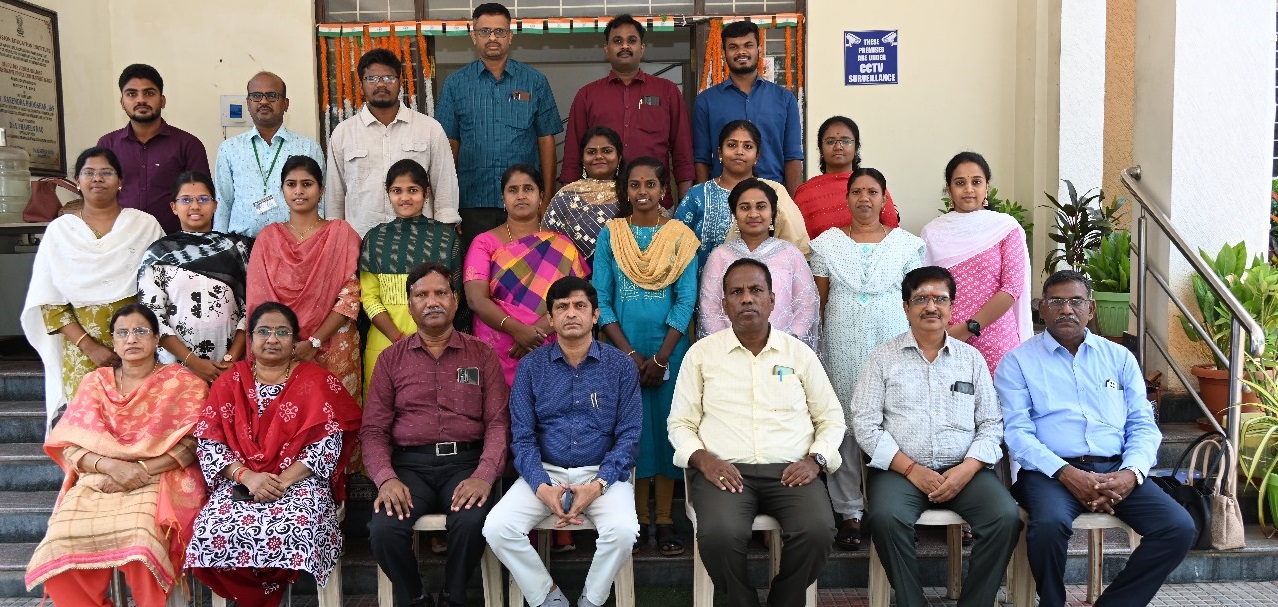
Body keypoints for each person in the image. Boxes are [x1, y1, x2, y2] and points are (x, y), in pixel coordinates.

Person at [996, 270, 1195, 607]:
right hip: (1050, 473)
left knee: (1178, 527)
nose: (1066, 309)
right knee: (1048, 525)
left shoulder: (1119, 357)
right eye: (1056, 302)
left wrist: (1132, 473)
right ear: (1042, 309)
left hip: (1116, 470)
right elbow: (1016, 432)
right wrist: (1067, 473)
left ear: (1091, 309)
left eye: (1076, 301)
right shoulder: (1017, 362)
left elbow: (1143, 425)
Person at [668, 258, 844, 607]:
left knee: (818, 531)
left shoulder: (799, 354)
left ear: (772, 300)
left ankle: (784, 600)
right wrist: (704, 461)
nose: (747, 298)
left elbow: (831, 418)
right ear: (724, 304)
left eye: (756, 290)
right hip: (725, 472)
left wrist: (816, 460)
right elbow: (680, 423)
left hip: (792, 471)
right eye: (737, 292)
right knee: (719, 535)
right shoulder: (701, 355)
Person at [849, 265, 1022, 607]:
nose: (931, 307)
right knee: (885, 519)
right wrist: (911, 469)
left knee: (1005, 518)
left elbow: (991, 423)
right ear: (906, 307)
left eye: (940, 299)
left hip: (965, 470)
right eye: (921, 299)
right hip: (900, 472)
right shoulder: (882, 359)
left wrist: (968, 469)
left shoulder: (971, 360)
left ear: (952, 306)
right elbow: (865, 423)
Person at [24, 304, 208, 607]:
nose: (131, 339)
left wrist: (142, 470)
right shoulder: (95, 382)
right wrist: (110, 466)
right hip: (99, 479)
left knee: (141, 544)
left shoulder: (182, 382)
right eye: (122, 333)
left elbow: (191, 445)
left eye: (140, 331)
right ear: (113, 340)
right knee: (59, 545)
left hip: (157, 478)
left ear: (156, 338)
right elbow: (71, 445)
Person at [185, 302, 362, 607]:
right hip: (242, 482)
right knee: (211, 530)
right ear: (251, 339)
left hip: (300, 481)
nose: (272, 339)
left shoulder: (316, 381)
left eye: (282, 332)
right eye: (264, 331)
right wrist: (248, 477)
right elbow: (210, 443)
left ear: (295, 341)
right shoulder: (229, 383)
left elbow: (327, 444)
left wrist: (281, 481)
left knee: (297, 526)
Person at [483, 276, 641, 607]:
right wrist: (541, 486)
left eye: (580, 305)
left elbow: (629, 435)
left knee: (624, 532)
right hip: (546, 472)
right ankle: (548, 597)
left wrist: (598, 485)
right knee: (497, 528)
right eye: (562, 307)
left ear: (595, 315)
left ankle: (591, 600)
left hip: (602, 474)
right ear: (551, 318)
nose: (571, 313)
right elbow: (522, 437)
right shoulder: (530, 367)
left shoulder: (621, 367)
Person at [363, 262, 509, 607]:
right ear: (410, 304)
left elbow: (499, 424)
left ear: (455, 300)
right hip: (410, 468)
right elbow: (373, 430)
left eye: (441, 293)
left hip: (466, 464)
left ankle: (454, 597)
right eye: (422, 295)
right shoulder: (390, 359)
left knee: (471, 521)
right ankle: (416, 598)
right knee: (384, 529)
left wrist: (484, 476)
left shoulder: (482, 354)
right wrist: (386, 479)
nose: (432, 302)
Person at [809, 167, 924, 550]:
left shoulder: (907, 245)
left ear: (884, 198)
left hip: (892, 345)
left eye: (872, 191)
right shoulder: (826, 244)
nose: (864, 198)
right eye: (856, 191)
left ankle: (893, 507)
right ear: (847, 199)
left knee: (893, 421)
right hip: (840, 344)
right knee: (842, 423)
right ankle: (849, 513)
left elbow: (916, 301)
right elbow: (819, 301)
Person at [592, 156, 699, 557]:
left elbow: (685, 300)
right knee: (631, 432)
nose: (642, 192)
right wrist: (631, 355)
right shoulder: (611, 235)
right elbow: (602, 300)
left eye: (650, 184)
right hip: (622, 351)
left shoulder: (681, 237)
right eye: (634, 185)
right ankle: (636, 519)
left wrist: (661, 358)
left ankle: (666, 520)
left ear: (663, 190)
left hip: (670, 349)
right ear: (625, 190)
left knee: (669, 429)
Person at [21, 147, 167, 427]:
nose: (97, 178)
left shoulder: (143, 225)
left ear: (120, 181)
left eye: (106, 172)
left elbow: (160, 289)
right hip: (81, 351)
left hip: (138, 348)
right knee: (89, 428)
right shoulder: (60, 231)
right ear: (77, 181)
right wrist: (90, 348)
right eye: (89, 173)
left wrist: (134, 342)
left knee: (136, 424)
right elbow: (50, 301)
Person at [436, 2, 563, 252]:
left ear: (510, 36)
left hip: (524, 201)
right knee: (477, 268)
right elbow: (448, 145)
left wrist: (547, 197)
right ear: (474, 36)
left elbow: (546, 139)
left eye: (500, 31)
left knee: (527, 269)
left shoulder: (535, 81)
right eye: (485, 31)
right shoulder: (455, 84)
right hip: (472, 201)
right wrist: (447, 205)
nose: (492, 37)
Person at [247, 155, 362, 396]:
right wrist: (284, 340)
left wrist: (315, 341)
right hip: (279, 346)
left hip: (333, 342)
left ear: (321, 190)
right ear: (283, 190)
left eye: (307, 184)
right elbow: (259, 302)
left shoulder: (340, 233)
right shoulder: (268, 238)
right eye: (291, 184)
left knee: (334, 411)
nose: (299, 191)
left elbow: (350, 298)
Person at [463, 164, 588, 386]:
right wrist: (517, 330)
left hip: (547, 347)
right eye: (513, 190)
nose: (521, 196)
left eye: (528, 189)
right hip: (496, 348)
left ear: (541, 196)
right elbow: (476, 299)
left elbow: (576, 299)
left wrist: (534, 334)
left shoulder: (562, 246)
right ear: (503, 198)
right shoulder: (484, 243)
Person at [559, 14, 692, 207]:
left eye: (632, 40)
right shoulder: (587, 95)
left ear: (642, 48)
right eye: (617, 41)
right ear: (606, 49)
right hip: (600, 205)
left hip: (656, 203)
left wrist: (686, 208)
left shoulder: (667, 91)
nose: (625, 46)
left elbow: (683, 154)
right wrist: (569, 208)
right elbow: (572, 157)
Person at [327, 49, 461, 238]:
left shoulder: (429, 129)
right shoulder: (343, 133)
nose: (381, 84)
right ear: (361, 86)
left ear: (401, 82)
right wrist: (336, 239)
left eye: (389, 78)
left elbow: (445, 187)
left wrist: (442, 237)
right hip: (360, 240)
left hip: (419, 239)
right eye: (372, 78)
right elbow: (335, 197)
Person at [920, 151, 1031, 376]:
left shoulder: (1006, 228)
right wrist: (946, 332)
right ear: (949, 189)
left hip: (996, 337)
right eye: (960, 183)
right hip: (946, 337)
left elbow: (1012, 287)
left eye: (976, 182)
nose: (969, 189)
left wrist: (970, 327)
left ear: (987, 187)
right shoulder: (932, 232)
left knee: (999, 396)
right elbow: (925, 289)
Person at [138, 171, 252, 384]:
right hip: (176, 367)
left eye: (203, 199)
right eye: (186, 200)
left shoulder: (236, 249)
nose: (195, 206)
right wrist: (192, 362)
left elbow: (250, 307)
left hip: (229, 366)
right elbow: (152, 315)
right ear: (174, 207)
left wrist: (231, 359)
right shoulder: (158, 254)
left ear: (215, 205)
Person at [360, 159, 461, 393]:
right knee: (381, 405)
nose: (404, 198)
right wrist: (398, 338)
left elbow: (455, 295)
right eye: (397, 191)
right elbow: (369, 297)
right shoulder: (375, 238)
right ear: (388, 193)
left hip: (436, 343)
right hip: (383, 343)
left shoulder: (445, 238)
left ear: (426, 193)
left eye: (412, 190)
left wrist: (428, 337)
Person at [697, 178, 819, 350]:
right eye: (745, 208)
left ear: (772, 212)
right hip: (729, 351)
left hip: (783, 350)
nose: (753, 214)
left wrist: (786, 343)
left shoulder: (791, 254)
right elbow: (709, 308)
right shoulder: (719, 256)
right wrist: (730, 345)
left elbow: (806, 305)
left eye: (761, 207)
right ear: (734, 214)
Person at [674, 120, 810, 271]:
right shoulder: (697, 195)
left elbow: (795, 247)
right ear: (720, 152)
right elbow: (675, 246)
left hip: (766, 282)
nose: (739, 151)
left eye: (748, 146)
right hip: (705, 283)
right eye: (732, 145)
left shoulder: (774, 192)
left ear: (757, 155)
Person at [693, 20, 802, 195]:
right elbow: (701, 159)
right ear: (724, 53)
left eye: (748, 45)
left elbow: (793, 156)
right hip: (722, 196)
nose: (741, 52)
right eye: (733, 47)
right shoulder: (706, 101)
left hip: (773, 195)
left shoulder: (784, 99)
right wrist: (705, 201)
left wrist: (792, 203)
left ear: (759, 49)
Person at [97, 64, 210, 233]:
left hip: (174, 240)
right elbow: (99, 195)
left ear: (162, 101)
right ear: (122, 102)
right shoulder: (108, 145)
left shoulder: (188, 144)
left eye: (149, 93)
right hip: (121, 239)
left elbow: (202, 199)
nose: (141, 100)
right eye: (132, 94)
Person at [213, 72, 326, 238]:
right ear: (248, 103)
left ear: (286, 104)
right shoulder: (229, 149)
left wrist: (316, 240)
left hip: (295, 243)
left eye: (272, 96)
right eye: (256, 96)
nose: (264, 101)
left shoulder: (308, 147)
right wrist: (219, 245)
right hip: (241, 245)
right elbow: (223, 202)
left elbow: (320, 202)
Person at [792, 116, 900, 239]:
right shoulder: (806, 193)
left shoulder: (873, 185)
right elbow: (799, 241)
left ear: (856, 147)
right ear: (820, 148)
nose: (838, 147)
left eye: (846, 141)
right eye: (830, 142)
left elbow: (891, 235)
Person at [541, 126, 623, 270]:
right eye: (591, 152)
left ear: (619, 158)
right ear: (583, 160)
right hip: (575, 279)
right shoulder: (565, 197)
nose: (599, 156)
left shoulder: (631, 195)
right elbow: (547, 246)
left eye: (607, 151)